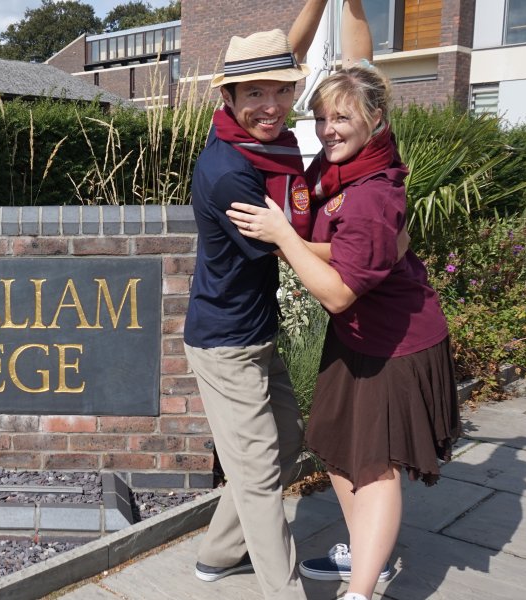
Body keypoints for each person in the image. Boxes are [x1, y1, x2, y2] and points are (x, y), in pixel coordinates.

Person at [226, 3, 461, 600]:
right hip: (360, 337)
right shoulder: (348, 165)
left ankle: (360, 590)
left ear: (376, 119)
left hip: (393, 346)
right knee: (335, 446)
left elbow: (335, 294)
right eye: (323, 117)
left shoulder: (371, 193)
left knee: (374, 467)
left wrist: (283, 236)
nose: (328, 129)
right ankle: (367, 557)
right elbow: (356, 58)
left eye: (342, 119)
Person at [182, 1, 335, 594]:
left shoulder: (261, 139)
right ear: (229, 100)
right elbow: (284, 250)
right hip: (225, 344)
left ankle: (218, 554)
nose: (270, 106)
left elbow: (290, 53)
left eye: (280, 91)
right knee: (255, 475)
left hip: (258, 328)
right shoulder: (231, 173)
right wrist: (368, 250)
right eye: (254, 95)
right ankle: (284, 588)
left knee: (288, 442)